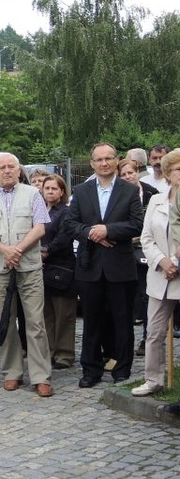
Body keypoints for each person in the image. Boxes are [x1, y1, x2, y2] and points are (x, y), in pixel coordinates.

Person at [63, 143, 144, 388]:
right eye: (99, 159)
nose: (104, 163)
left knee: (122, 320)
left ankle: (122, 367)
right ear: (92, 163)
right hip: (90, 265)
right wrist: (91, 233)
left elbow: (137, 223)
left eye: (109, 158)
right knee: (92, 320)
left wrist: (109, 230)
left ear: (117, 161)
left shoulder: (129, 191)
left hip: (120, 264)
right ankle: (91, 369)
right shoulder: (82, 190)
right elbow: (70, 224)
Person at [0, 152, 53, 397]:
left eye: (11, 167)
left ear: (19, 171)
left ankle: (41, 376)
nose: (7, 170)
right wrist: (4, 251)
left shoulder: (32, 195)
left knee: (35, 322)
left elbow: (40, 226)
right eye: (2, 167)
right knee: (5, 321)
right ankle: (11, 372)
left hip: (28, 266)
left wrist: (16, 250)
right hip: (0, 267)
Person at [132, 148, 180, 396]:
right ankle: (153, 379)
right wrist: (162, 261)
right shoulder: (156, 200)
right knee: (154, 331)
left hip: (176, 271)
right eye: (177, 170)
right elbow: (146, 237)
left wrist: (175, 262)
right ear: (169, 173)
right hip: (160, 274)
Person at [118, 158, 159, 356]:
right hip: (124, 251)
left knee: (145, 297)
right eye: (123, 174)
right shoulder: (117, 195)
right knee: (125, 298)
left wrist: (142, 236)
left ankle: (147, 339)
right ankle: (123, 342)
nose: (128, 177)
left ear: (137, 173)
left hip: (146, 251)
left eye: (130, 173)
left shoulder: (151, 193)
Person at [40, 174, 77, 369]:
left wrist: (46, 251)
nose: (50, 192)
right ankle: (50, 351)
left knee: (64, 313)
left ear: (62, 191)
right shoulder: (39, 211)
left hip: (62, 267)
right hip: (41, 268)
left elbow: (65, 236)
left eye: (54, 188)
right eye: (47, 188)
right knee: (47, 313)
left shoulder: (66, 212)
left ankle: (64, 354)